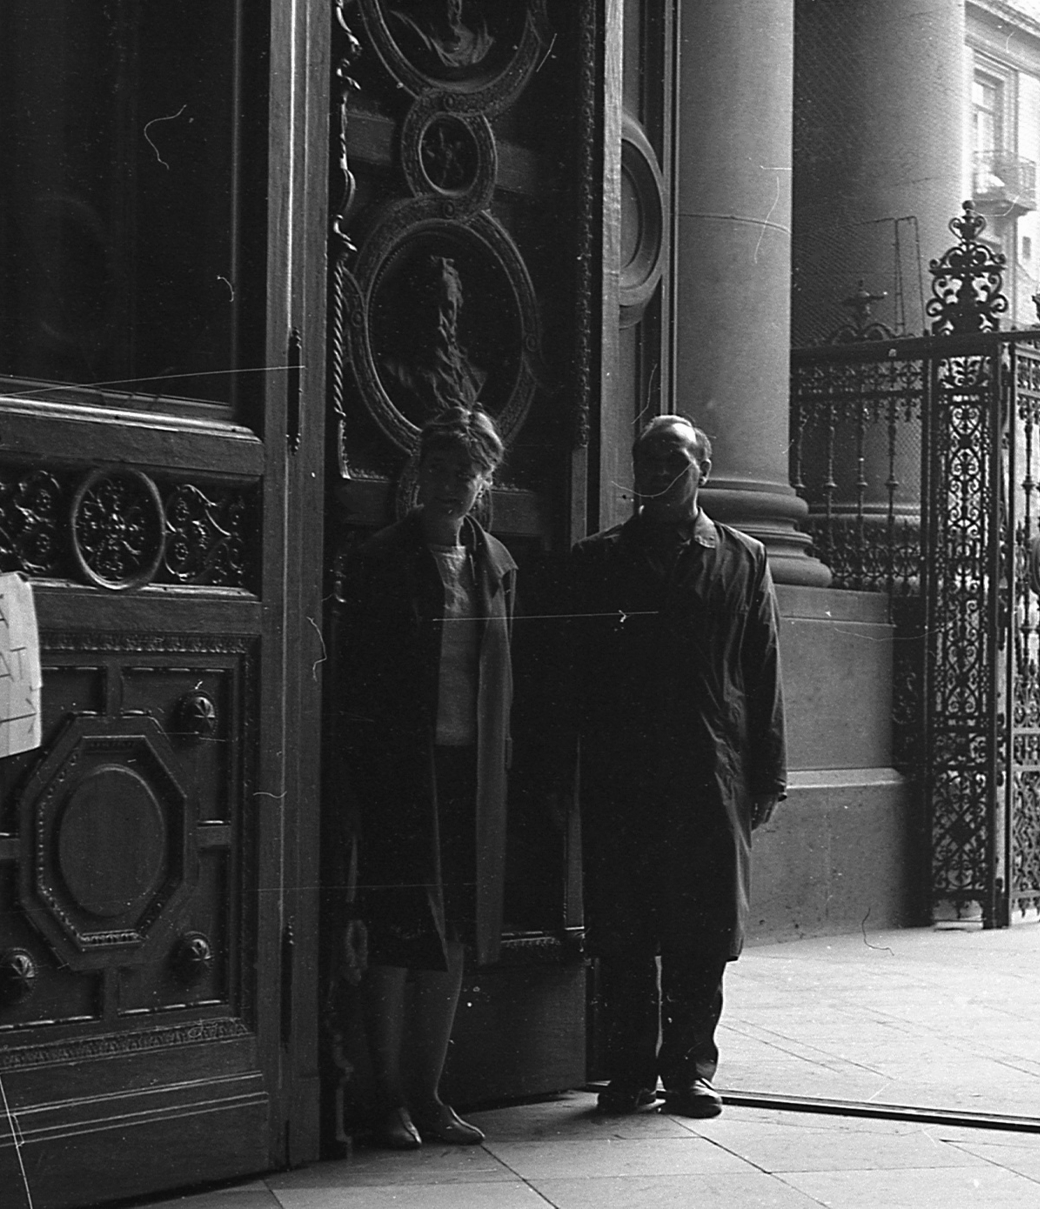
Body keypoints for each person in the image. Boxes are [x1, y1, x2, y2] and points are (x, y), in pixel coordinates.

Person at [550, 414, 786, 1118]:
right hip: (622, 773)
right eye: (648, 458)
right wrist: (563, 767)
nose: (658, 470)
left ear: (702, 469)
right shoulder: (598, 559)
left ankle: (690, 1070)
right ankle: (628, 1072)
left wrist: (768, 773)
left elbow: (763, 671)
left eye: (674, 458)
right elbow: (571, 675)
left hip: (711, 770)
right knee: (624, 928)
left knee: (702, 930)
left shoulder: (743, 558)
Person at [336, 405, 516, 1149]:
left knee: (456, 935)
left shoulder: (497, 564)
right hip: (399, 770)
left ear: (485, 479)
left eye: (464, 471)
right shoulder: (382, 558)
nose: (449, 483)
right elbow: (357, 679)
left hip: (469, 771)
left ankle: (430, 1094)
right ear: (418, 474)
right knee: (396, 931)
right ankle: (387, 1099)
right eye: (437, 469)